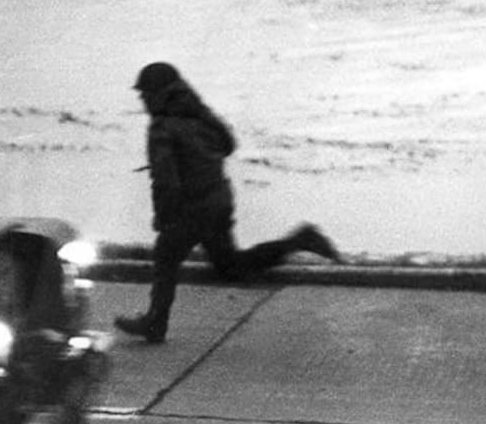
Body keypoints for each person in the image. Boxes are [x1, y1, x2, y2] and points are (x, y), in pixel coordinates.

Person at [115, 62, 343, 343]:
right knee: (231, 266)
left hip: (193, 208)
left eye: (146, 94)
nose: (143, 100)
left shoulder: (161, 127)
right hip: (219, 200)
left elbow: (166, 181)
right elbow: (228, 145)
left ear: (158, 93)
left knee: (165, 256)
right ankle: (299, 241)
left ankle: (155, 322)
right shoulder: (200, 113)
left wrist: (164, 217)